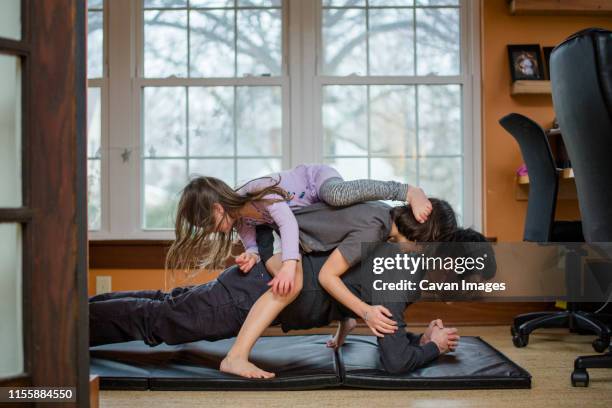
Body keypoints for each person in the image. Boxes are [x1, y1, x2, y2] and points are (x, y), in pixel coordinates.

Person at [90, 224, 493, 376]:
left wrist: (422, 340)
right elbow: (395, 362)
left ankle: (79, 310)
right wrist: (434, 349)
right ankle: (65, 326)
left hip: (263, 280)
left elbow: (377, 317)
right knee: (159, 322)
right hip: (256, 294)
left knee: (166, 305)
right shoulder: (400, 279)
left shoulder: (398, 260)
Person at [219, 199, 458, 378]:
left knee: (300, 284)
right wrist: (365, 311)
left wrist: (420, 342)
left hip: (293, 241)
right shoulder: (376, 228)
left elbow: (352, 275)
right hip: (276, 233)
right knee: (290, 286)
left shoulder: (384, 225)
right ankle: (236, 356)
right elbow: (327, 276)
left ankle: (346, 316)